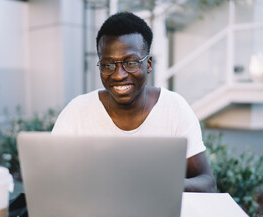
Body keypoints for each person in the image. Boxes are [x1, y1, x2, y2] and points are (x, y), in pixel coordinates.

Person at [52, 12, 216, 192]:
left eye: (130, 63)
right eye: (108, 64)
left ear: (149, 65)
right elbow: (52, 176)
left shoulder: (174, 108)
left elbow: (207, 182)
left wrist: (162, 187)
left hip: (156, 215)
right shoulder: (77, 111)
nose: (119, 75)